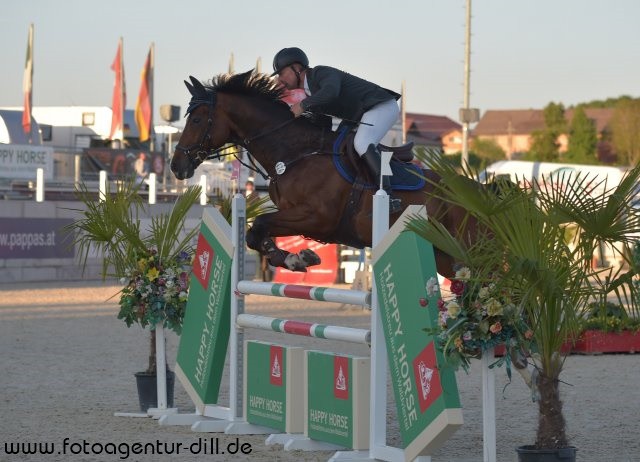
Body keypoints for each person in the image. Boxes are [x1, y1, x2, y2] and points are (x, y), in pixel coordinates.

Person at [271, 46, 402, 213]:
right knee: (335, 148)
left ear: (296, 68)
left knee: (362, 143)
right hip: (361, 114)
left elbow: (331, 92)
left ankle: (389, 197)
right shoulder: (310, 95)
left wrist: (302, 105)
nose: (280, 79)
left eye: (281, 73)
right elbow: (323, 126)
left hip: (381, 106)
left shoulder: (320, 73)